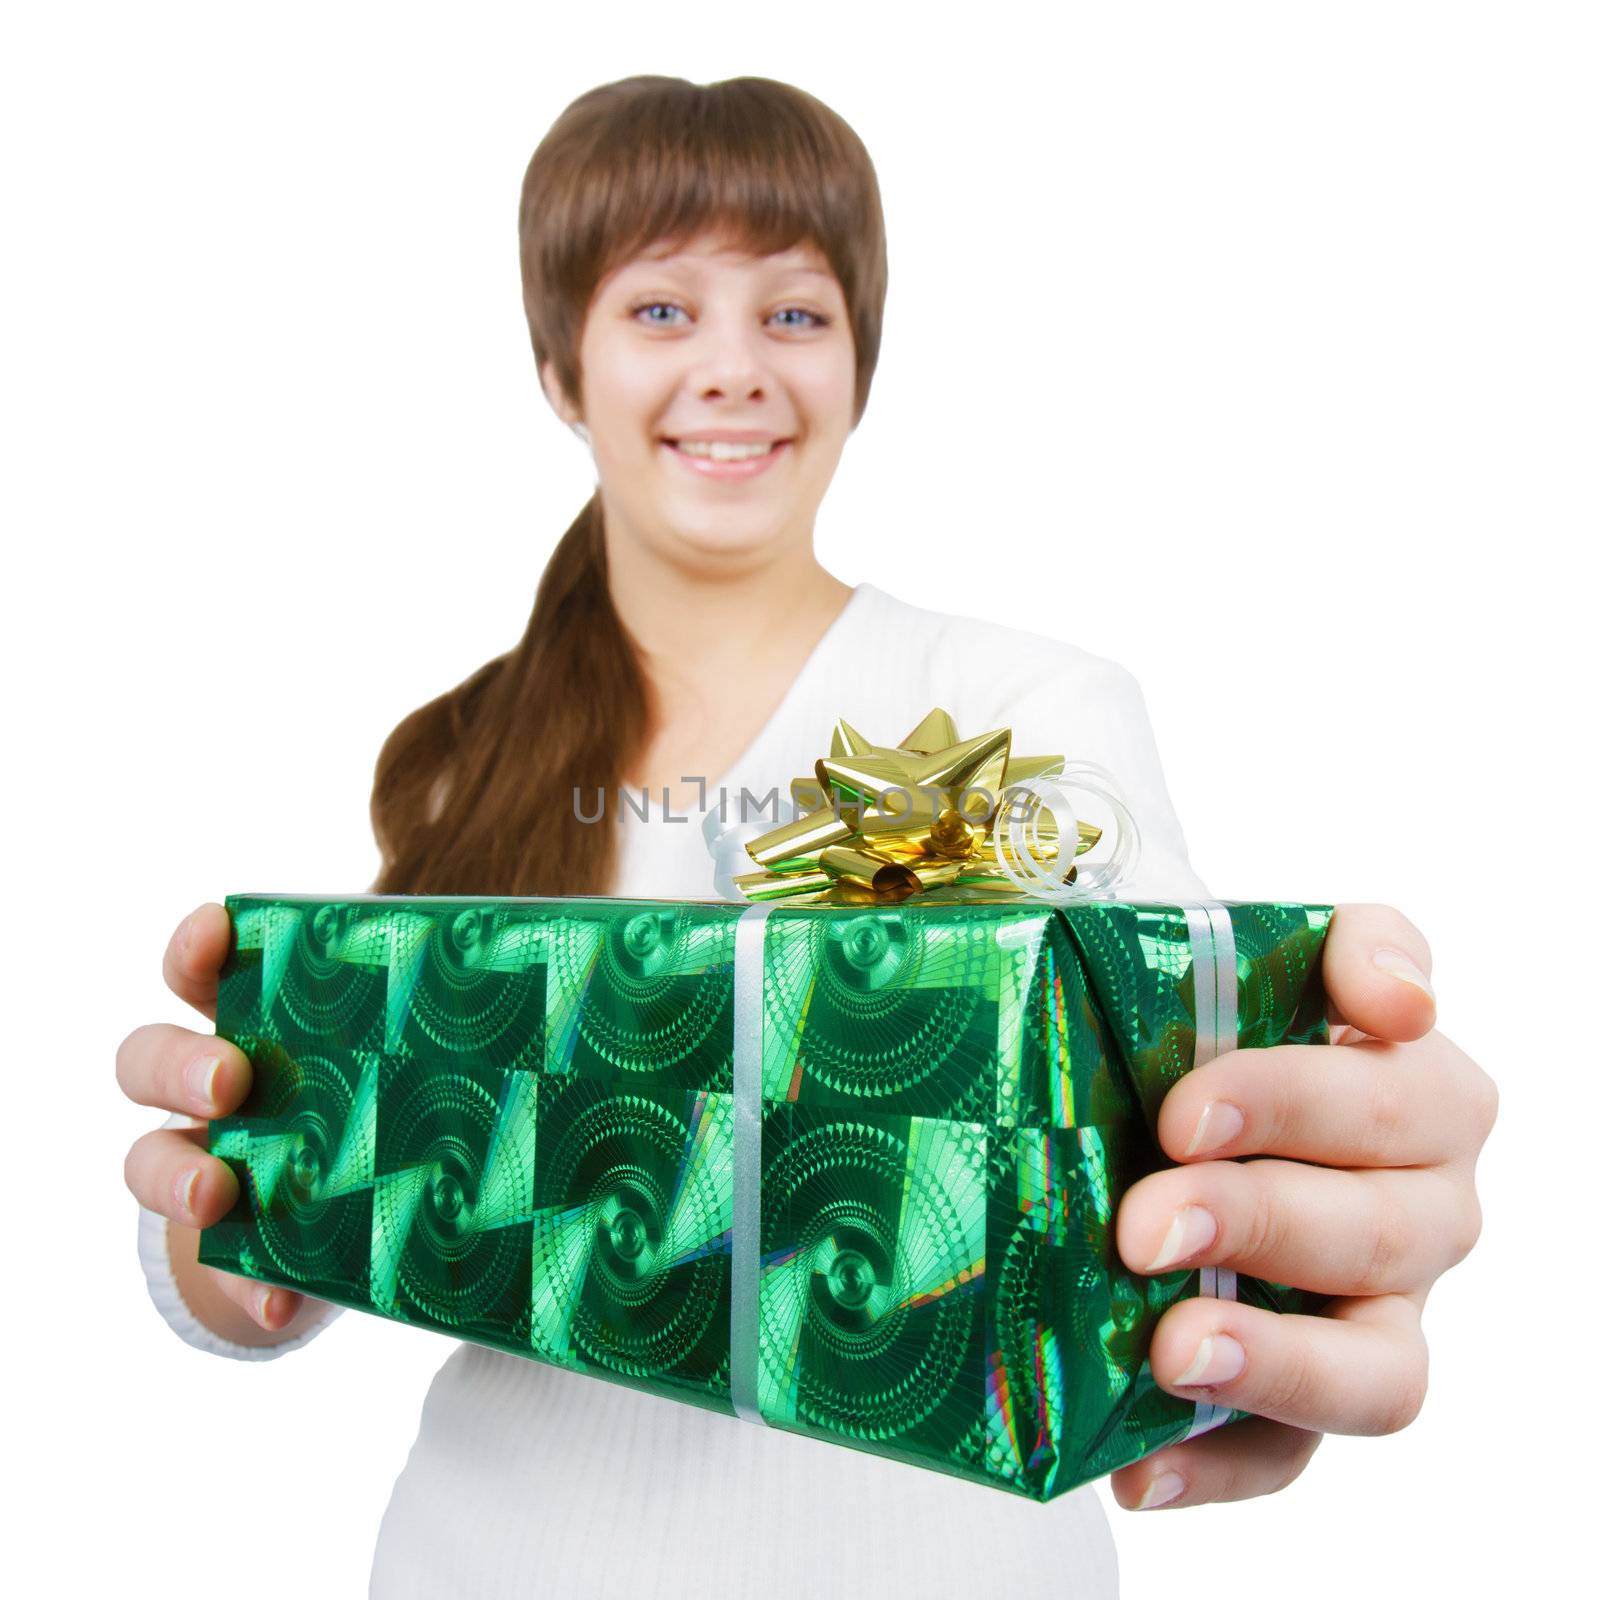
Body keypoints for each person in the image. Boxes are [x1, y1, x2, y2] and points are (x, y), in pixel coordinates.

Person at [117, 74, 1498, 1598]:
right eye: (659, 311)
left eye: (793, 314)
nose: (733, 370)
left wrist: (1288, 1223)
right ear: (558, 368)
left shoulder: (1022, 711)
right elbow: (333, 1184)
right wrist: (228, 1222)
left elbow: (1166, 1079)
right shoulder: (462, 761)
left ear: (858, 362)